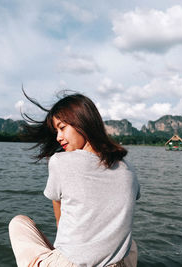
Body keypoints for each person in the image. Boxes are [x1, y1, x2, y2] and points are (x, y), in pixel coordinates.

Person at [8, 91, 140, 267]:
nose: (58, 137)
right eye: (56, 131)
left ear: (82, 123)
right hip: (119, 264)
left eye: (62, 128)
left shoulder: (60, 161)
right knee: (130, 244)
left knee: (19, 222)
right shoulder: (128, 169)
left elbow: (58, 210)